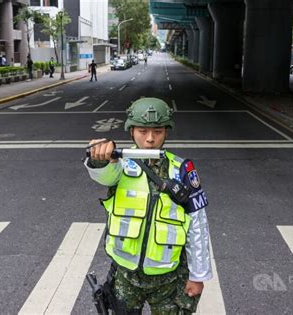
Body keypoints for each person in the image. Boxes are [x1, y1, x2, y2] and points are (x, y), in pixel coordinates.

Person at [84, 98, 212, 314]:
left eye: (158, 131)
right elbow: (104, 174)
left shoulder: (182, 169)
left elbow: (198, 225)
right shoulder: (120, 163)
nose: (150, 139)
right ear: (131, 131)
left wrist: (197, 276)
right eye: (142, 131)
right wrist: (100, 157)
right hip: (125, 276)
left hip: (168, 279)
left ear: (167, 132)